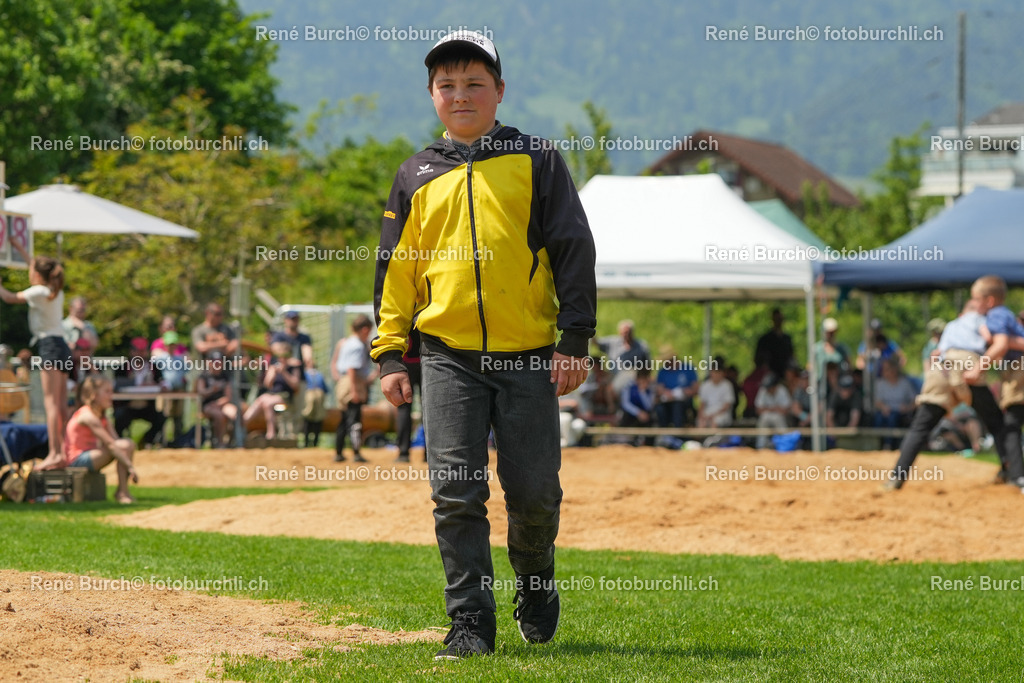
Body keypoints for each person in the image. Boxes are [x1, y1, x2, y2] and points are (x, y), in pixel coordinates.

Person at [371, 30, 596, 660]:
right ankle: (470, 623)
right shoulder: (414, 174)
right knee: (456, 490)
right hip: (446, 354)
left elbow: (574, 248)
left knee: (533, 493)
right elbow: (397, 269)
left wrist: (574, 336)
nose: (460, 94)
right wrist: (391, 352)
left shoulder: (538, 160)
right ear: (431, 95)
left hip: (527, 355)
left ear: (500, 90)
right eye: (447, 85)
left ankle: (536, 580)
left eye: (474, 83)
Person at [887, 278, 1024, 489]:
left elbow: (937, 352)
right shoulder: (984, 320)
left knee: (921, 426)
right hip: (967, 366)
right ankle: (1011, 473)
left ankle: (897, 476)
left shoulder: (952, 325)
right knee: (997, 422)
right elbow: (995, 342)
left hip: (941, 369)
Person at [0, 250, 71, 468]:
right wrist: (20, 248)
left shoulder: (38, 291)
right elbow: (37, 265)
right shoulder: (54, 290)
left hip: (49, 346)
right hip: (62, 346)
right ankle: (63, 451)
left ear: (38, 274)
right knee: (60, 405)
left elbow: (9, 297)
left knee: (50, 405)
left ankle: (54, 453)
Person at [968, 275, 1024, 488]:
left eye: (976, 300)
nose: (975, 305)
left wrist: (978, 367)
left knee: (1011, 424)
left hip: (1019, 370)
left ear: (989, 301)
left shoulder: (996, 315)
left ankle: (1018, 477)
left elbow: (1000, 345)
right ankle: (1011, 471)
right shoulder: (1004, 314)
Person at [64, 375, 138, 504]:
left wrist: (127, 460)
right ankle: (122, 492)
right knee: (124, 446)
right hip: (77, 459)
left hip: (91, 454)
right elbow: (110, 444)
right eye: (107, 392)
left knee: (127, 445)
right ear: (94, 395)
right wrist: (130, 467)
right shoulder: (87, 415)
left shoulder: (101, 415)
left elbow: (115, 440)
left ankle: (122, 491)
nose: (111, 396)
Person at [331, 314, 375, 463]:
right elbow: (352, 368)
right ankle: (356, 452)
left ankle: (338, 452)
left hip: (344, 381)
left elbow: (336, 363)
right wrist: (355, 391)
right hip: (352, 382)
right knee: (354, 420)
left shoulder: (346, 342)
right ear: (364, 329)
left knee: (343, 418)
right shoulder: (356, 345)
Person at [243, 340, 302, 441]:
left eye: (285, 355)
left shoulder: (294, 367)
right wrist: (273, 372)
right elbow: (267, 384)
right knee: (261, 400)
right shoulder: (274, 366)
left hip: (285, 397)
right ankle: (242, 424)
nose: (282, 358)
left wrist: (284, 372)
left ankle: (271, 434)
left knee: (268, 403)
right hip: (272, 395)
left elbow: (295, 386)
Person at [113, 337, 166, 448]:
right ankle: (119, 444)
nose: (140, 354)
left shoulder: (154, 367)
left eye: (143, 351)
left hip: (147, 406)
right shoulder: (122, 368)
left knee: (161, 418)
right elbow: (117, 386)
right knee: (119, 418)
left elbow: (163, 383)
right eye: (137, 351)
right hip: (128, 406)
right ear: (131, 352)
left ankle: (146, 441)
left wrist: (157, 386)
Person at [872, 358, 918, 449]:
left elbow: (915, 400)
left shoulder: (905, 383)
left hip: (900, 412)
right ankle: (877, 445)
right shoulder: (880, 383)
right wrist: (883, 407)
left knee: (892, 418)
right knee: (879, 419)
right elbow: (876, 402)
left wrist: (907, 407)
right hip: (884, 411)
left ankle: (889, 445)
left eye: (888, 369)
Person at [196, 350, 238, 448]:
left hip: (221, 404)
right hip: (208, 405)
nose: (217, 364)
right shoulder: (204, 376)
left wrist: (218, 403)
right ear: (209, 362)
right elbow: (201, 392)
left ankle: (232, 442)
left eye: (219, 361)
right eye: (215, 361)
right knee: (219, 415)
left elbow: (228, 396)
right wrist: (212, 390)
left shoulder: (225, 376)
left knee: (234, 413)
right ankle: (219, 442)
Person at [394, 330, 422, 463]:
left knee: (404, 409)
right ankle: (430, 454)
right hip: (427, 362)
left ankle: (403, 453)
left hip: (406, 363)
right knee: (430, 408)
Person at [654, 346, 698, 428]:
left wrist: (686, 391)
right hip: (667, 402)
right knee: (660, 409)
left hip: (684, 401)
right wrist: (666, 393)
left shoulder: (688, 368)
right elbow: (659, 389)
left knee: (677, 406)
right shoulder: (662, 372)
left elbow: (695, 389)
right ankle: (664, 433)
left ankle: (677, 433)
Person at [754, 308, 794, 379]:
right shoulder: (765, 339)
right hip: (769, 375)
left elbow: (791, 357)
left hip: (784, 375)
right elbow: (759, 358)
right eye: (776, 319)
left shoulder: (786, 339)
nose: (778, 322)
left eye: (780, 319)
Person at [620, 368, 656, 446]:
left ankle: (648, 444)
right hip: (631, 414)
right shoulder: (629, 386)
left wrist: (642, 392)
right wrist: (638, 412)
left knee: (650, 418)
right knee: (625, 417)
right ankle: (625, 442)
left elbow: (649, 406)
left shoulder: (650, 389)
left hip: (645, 415)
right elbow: (625, 404)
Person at [754, 372, 791, 449]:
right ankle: (761, 445)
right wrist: (773, 408)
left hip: (780, 416)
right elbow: (758, 409)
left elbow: (786, 410)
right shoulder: (763, 390)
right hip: (767, 415)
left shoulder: (782, 390)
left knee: (777, 418)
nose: (767, 389)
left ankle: (784, 445)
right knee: (764, 418)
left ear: (775, 386)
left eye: (769, 387)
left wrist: (770, 408)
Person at [697, 358, 734, 428]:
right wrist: (701, 416)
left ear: (722, 373)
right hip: (708, 412)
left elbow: (727, 405)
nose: (716, 375)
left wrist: (714, 415)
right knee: (701, 423)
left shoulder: (727, 385)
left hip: (722, 413)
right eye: (714, 372)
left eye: (718, 372)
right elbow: (702, 404)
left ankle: (712, 439)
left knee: (715, 421)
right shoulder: (705, 385)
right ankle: (700, 439)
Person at [301, 362, 329, 448]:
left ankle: (311, 443)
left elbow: (325, 389)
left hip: (315, 398)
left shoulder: (316, 375)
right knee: (311, 419)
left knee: (313, 420)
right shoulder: (308, 374)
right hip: (313, 397)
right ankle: (309, 443)